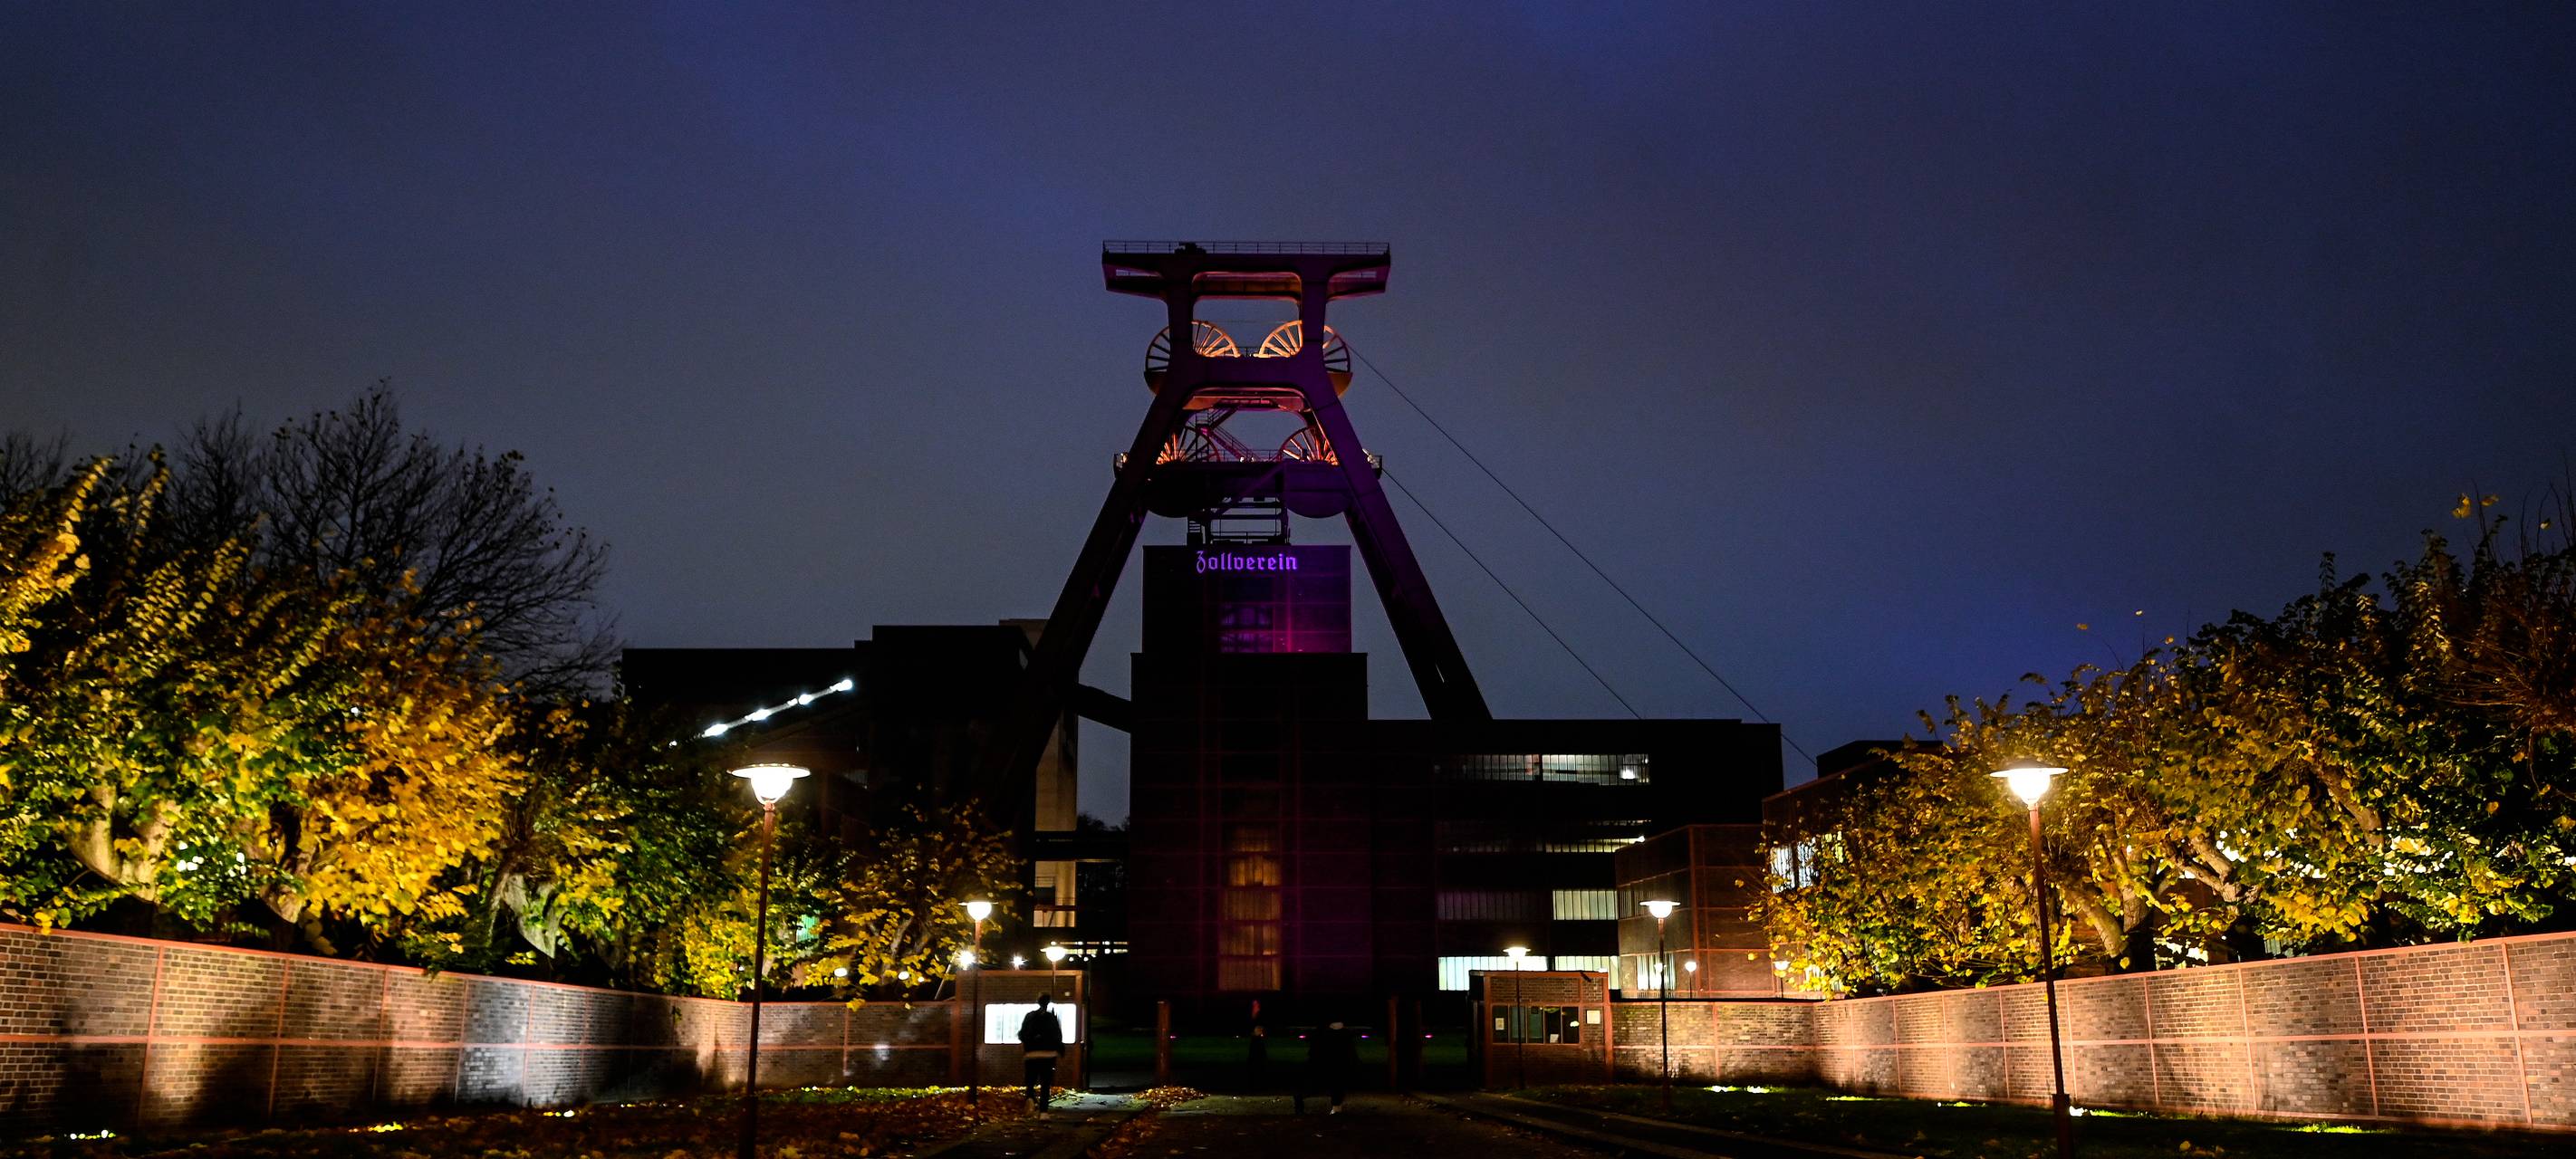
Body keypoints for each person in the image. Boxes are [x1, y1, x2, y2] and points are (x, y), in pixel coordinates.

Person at [1295, 1019, 1358, 1116]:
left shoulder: (1324, 1033)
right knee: (1333, 1084)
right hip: (1328, 1062)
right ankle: (1335, 1107)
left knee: (1333, 1084)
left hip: (1328, 1062)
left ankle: (1335, 1107)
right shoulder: (1338, 1034)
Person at [1018, 994, 1065, 1117]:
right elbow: (1057, 1036)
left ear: (1038, 1002)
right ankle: (1043, 1112)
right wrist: (1060, 1051)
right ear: (1048, 1002)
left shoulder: (1029, 1017)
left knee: (1030, 1081)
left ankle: (1030, 1098)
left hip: (1031, 1055)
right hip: (1048, 1055)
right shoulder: (1051, 1018)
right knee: (1045, 1084)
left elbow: (1022, 1034)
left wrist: (1028, 1045)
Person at [1245, 1000, 1269, 1090]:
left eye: (1256, 1004)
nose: (1254, 1006)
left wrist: (1261, 1032)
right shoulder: (1252, 1014)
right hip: (1254, 1039)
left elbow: (1263, 1026)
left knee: (1259, 1056)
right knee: (1253, 1057)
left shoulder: (1260, 1014)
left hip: (1258, 1039)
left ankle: (1260, 1078)